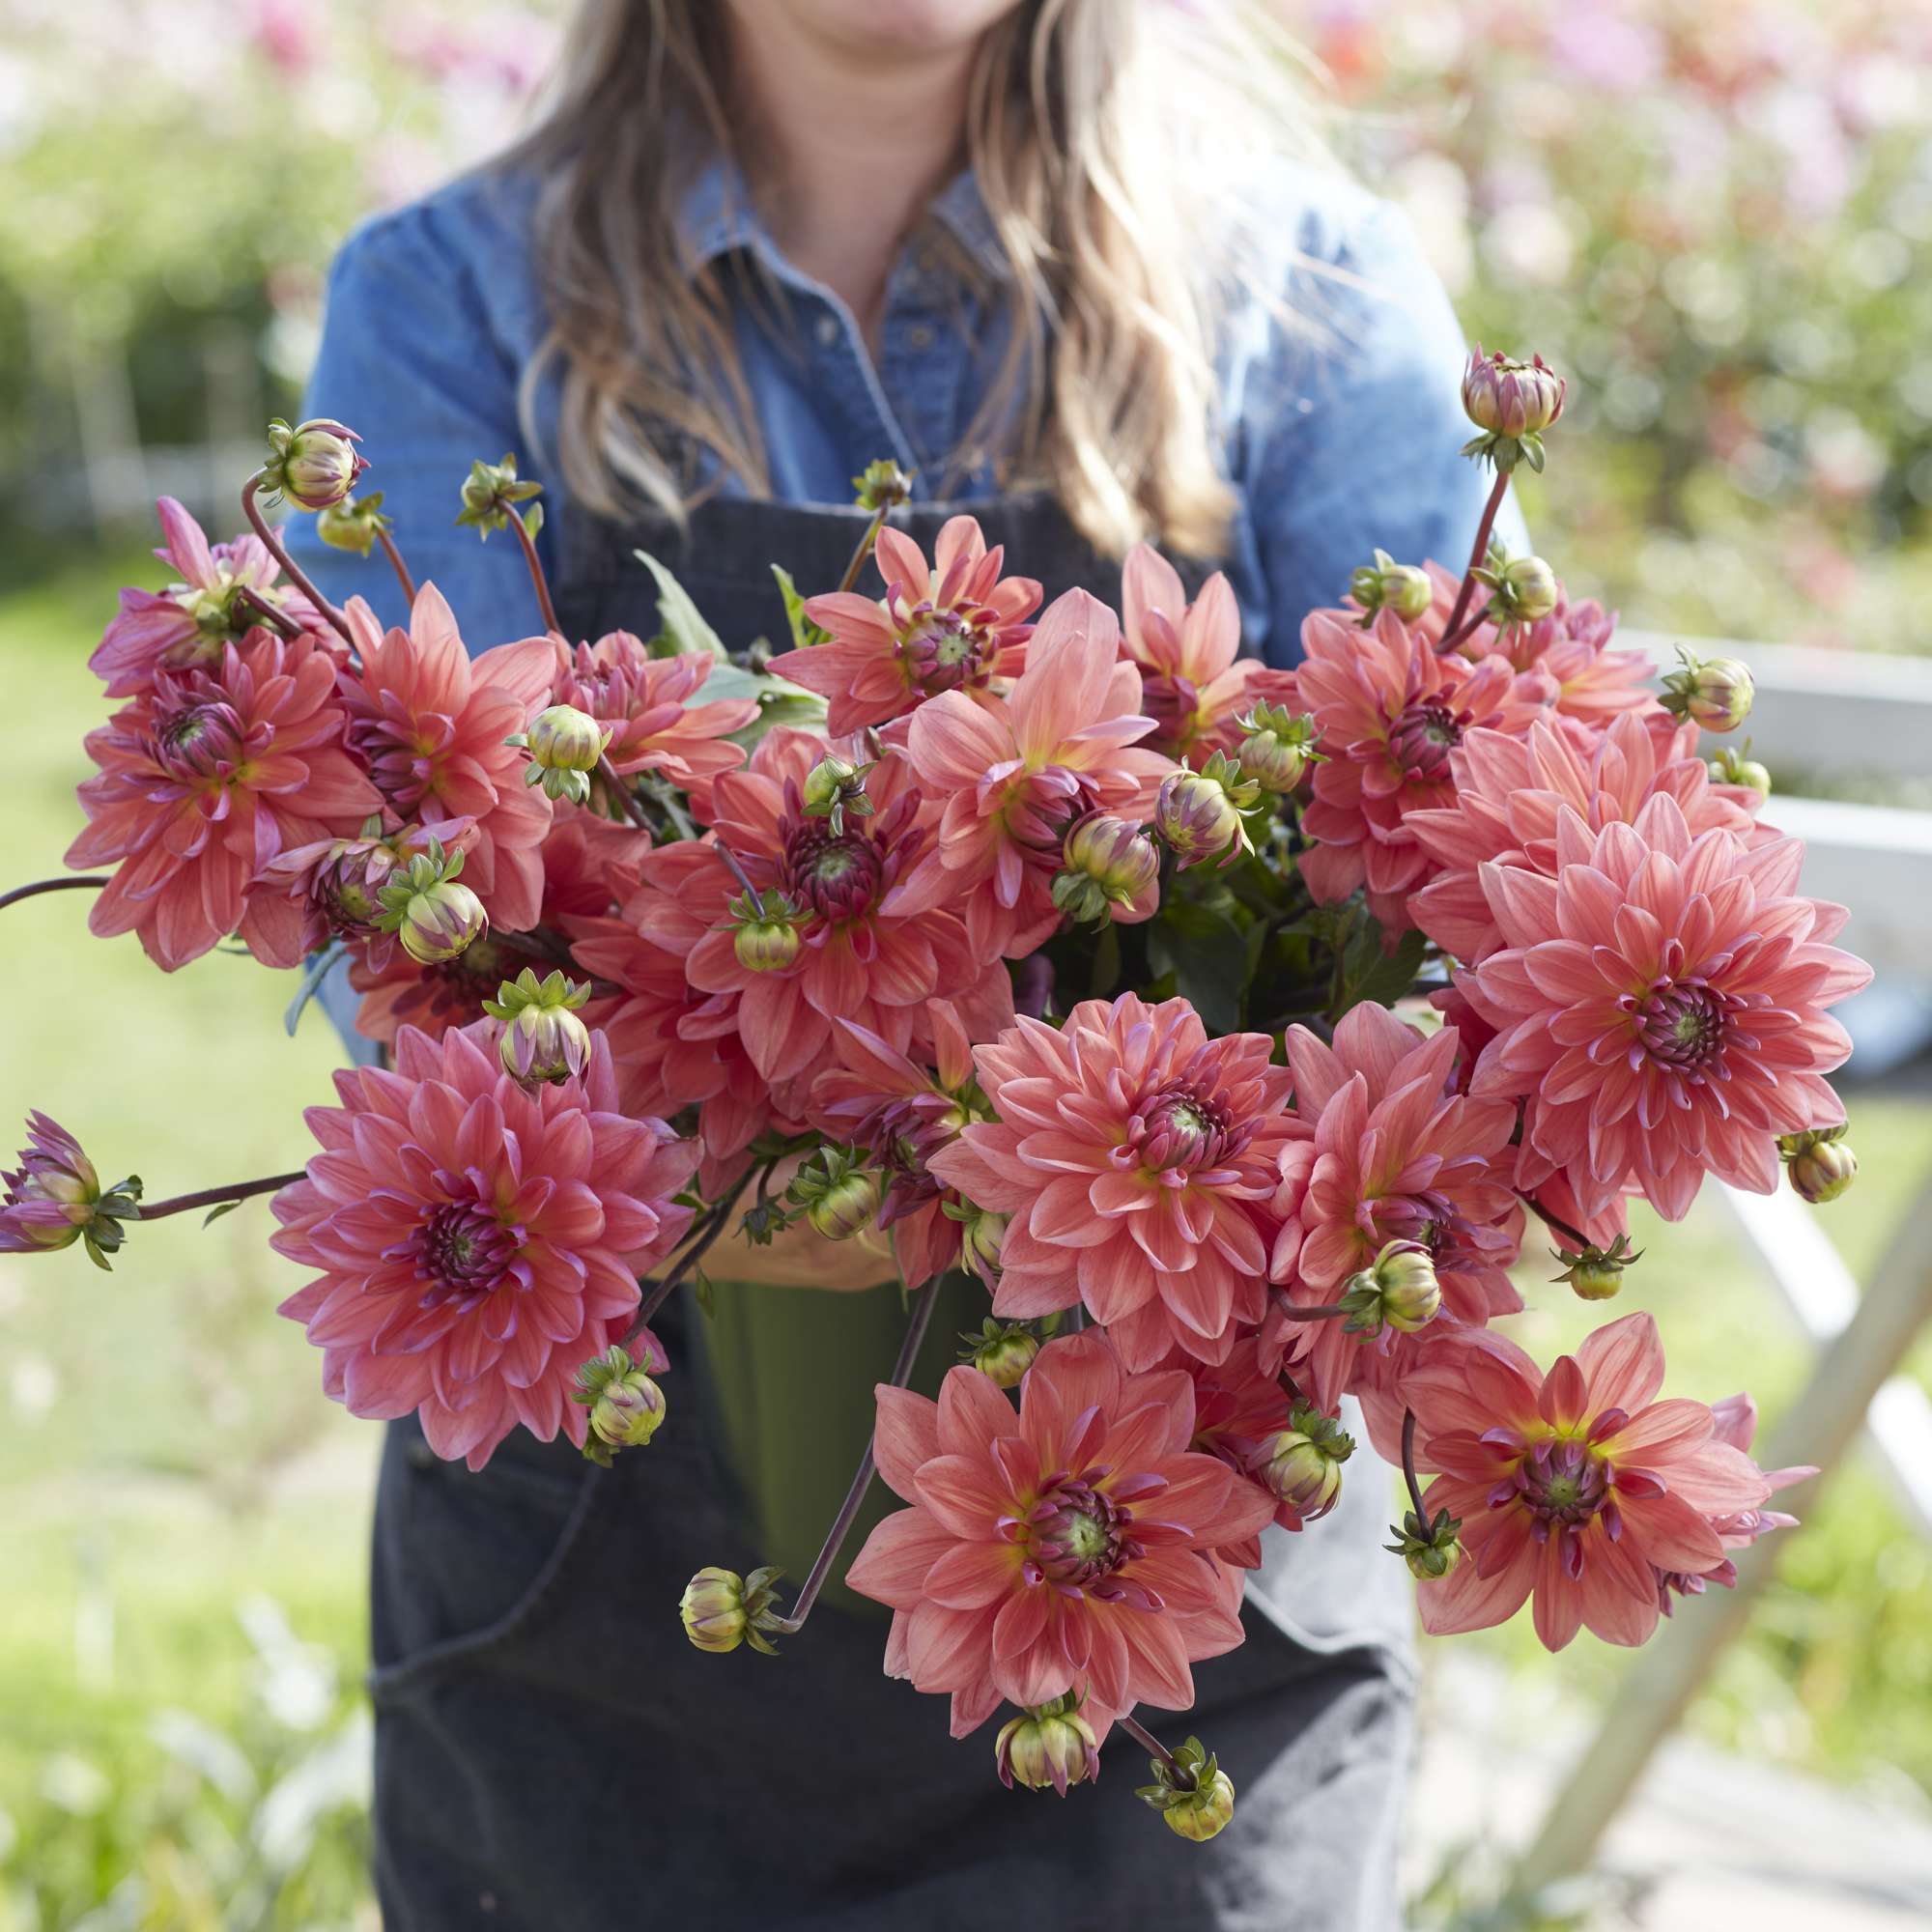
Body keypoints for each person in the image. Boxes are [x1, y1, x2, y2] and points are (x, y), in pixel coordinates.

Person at [292, 4, 1517, 1925]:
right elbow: (399, 913)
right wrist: (731, 1168)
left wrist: (1069, 1177)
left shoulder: (1311, 297)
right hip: (614, 1614)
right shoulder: (445, 304)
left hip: (1176, 1605)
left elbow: (1460, 900)